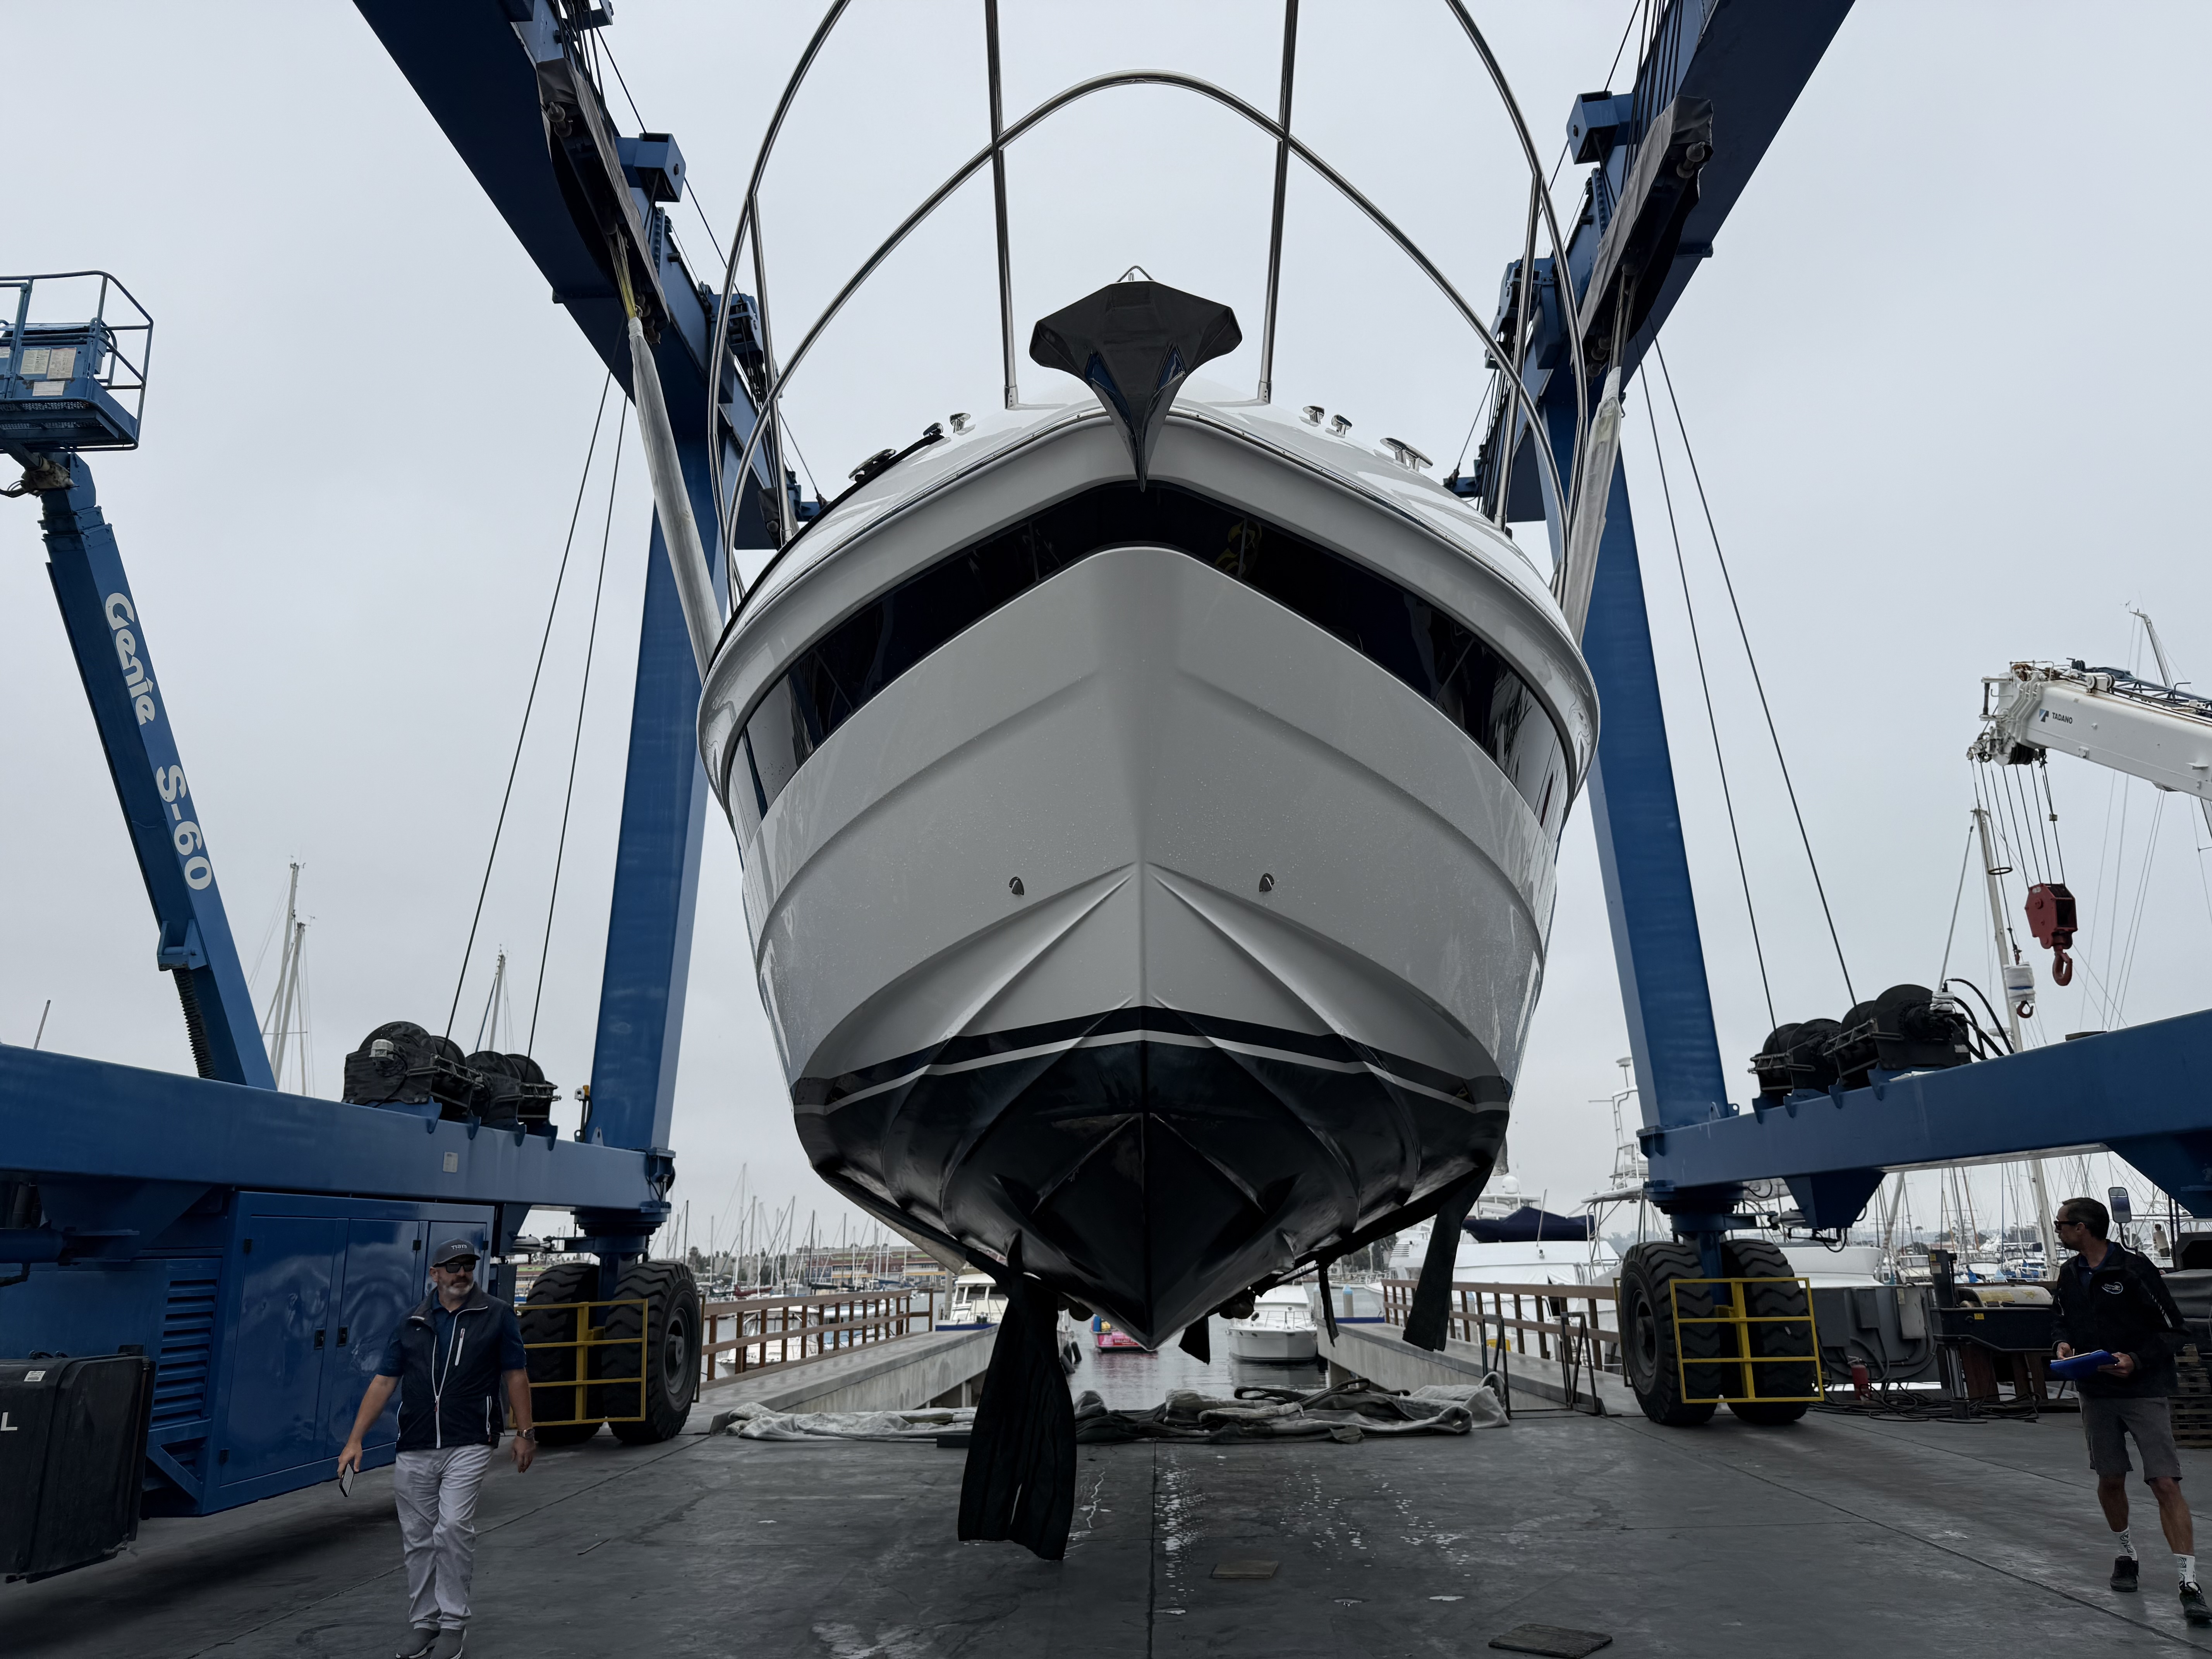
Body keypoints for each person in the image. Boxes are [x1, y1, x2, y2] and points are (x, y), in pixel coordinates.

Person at [338, 1238, 537, 1659]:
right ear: (435, 1274)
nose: (462, 1273)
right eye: (452, 1266)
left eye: (468, 1265)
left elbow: (515, 1374)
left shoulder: (496, 1315)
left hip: (470, 1439)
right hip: (415, 1442)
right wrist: (355, 1440)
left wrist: (526, 1432)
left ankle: (452, 1624)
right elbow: (384, 1381)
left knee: (451, 1528)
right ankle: (424, 1622)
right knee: (417, 1537)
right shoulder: (412, 1320)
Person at [2051, 1195, 2209, 1625]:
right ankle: (2127, 1556)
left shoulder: (2134, 1270)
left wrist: (2135, 1361)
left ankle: (2188, 1583)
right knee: (2110, 1478)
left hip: (2143, 1390)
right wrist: (2062, 1345)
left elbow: (2175, 1331)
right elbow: (2061, 1320)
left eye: (2061, 1225)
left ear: (2082, 1229)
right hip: (2095, 1391)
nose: (2059, 1231)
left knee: (2164, 1481)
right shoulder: (2069, 1274)